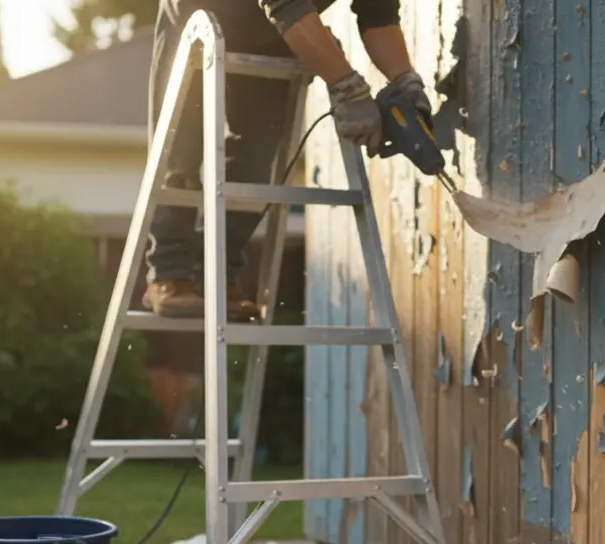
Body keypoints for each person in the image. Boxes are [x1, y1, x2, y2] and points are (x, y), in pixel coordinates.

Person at [143, 0, 432, 319]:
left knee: (256, 162)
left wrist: (405, 80)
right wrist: (348, 88)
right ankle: (170, 273)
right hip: (199, 15)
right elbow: (287, 3)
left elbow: (378, 15)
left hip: (271, 30)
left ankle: (215, 274)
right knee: (179, 154)